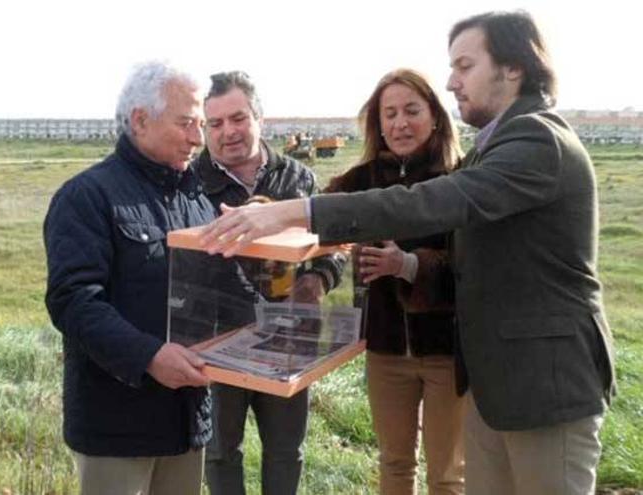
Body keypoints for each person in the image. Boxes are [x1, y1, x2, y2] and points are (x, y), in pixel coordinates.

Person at [200, 10, 615, 495]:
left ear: (513, 68)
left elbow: (435, 202)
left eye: (464, 66)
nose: (452, 81)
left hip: (544, 387)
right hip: (495, 382)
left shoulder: (537, 139)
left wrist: (294, 213)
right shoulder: (497, 143)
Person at [43, 61, 215, 495]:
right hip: (117, 426)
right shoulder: (87, 196)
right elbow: (74, 300)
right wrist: (149, 356)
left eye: (202, 124)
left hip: (186, 420)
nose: (199, 137)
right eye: (187, 123)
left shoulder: (196, 199)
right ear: (140, 119)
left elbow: (216, 292)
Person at [194, 71, 345, 495]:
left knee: (285, 449)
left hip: (288, 339)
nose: (228, 132)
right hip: (218, 340)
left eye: (238, 118)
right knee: (220, 450)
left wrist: (317, 279)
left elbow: (330, 246)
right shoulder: (192, 182)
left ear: (260, 117)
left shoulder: (298, 179)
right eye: (216, 123)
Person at [323, 68, 464, 495]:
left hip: (446, 351)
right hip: (384, 350)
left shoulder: (459, 180)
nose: (400, 123)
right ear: (377, 123)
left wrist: (406, 266)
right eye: (389, 114)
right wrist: (263, 212)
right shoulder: (360, 181)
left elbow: (472, 268)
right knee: (395, 463)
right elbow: (314, 213)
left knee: (448, 475)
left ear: (435, 116)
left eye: (411, 110)